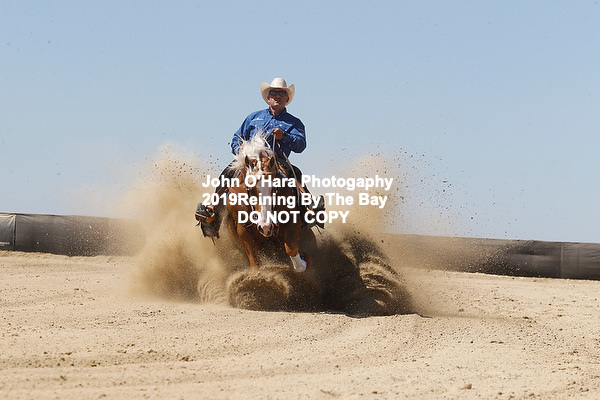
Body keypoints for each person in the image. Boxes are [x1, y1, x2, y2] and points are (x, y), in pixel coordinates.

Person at [195, 77, 324, 238]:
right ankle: (212, 213)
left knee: (295, 174)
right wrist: (239, 148)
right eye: (274, 93)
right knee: (227, 174)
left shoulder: (294, 122)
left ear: (287, 99)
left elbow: (301, 145)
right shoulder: (253, 117)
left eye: (282, 93)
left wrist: (284, 136)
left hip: (276, 161)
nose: (277, 96)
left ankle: (308, 209)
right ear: (268, 97)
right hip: (250, 161)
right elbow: (236, 138)